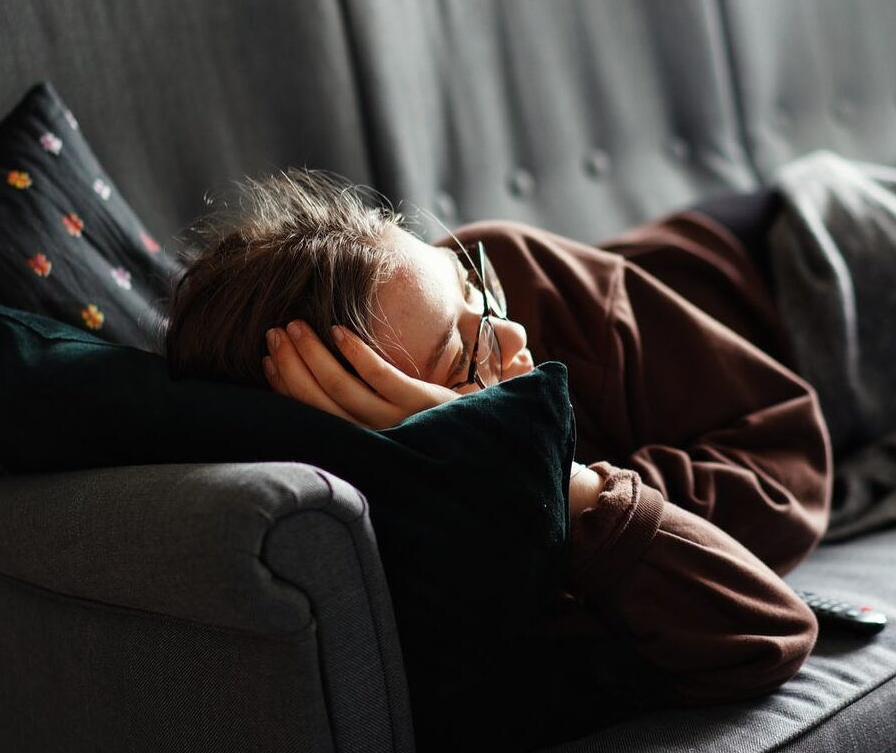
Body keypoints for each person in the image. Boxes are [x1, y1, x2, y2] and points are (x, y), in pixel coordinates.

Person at [165, 170, 830, 715]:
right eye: (464, 354)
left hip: (799, 250)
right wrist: (538, 469)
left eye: (469, 284)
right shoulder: (450, 559)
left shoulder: (516, 271)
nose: (510, 335)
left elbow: (790, 461)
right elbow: (767, 627)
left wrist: (584, 489)